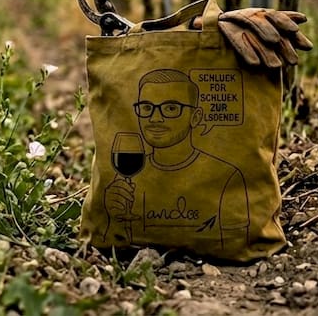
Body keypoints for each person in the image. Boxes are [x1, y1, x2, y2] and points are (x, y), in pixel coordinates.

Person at [102, 69, 249, 251]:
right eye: (147, 108)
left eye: (171, 108)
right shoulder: (129, 178)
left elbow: (238, 243)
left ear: (195, 117)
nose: (155, 118)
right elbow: (113, 242)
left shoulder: (227, 176)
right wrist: (112, 217)